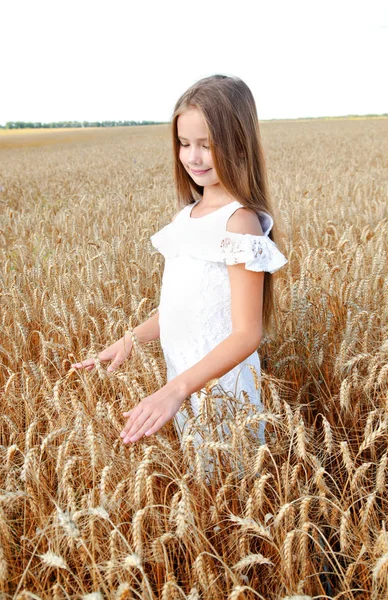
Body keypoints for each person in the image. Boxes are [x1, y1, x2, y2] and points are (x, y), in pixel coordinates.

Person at [71, 74, 288, 459]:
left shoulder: (238, 222)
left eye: (207, 145)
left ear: (240, 145)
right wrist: (130, 340)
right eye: (185, 144)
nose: (193, 157)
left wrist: (176, 390)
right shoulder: (184, 219)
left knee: (230, 482)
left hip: (223, 388)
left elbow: (246, 334)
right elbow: (181, 307)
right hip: (182, 380)